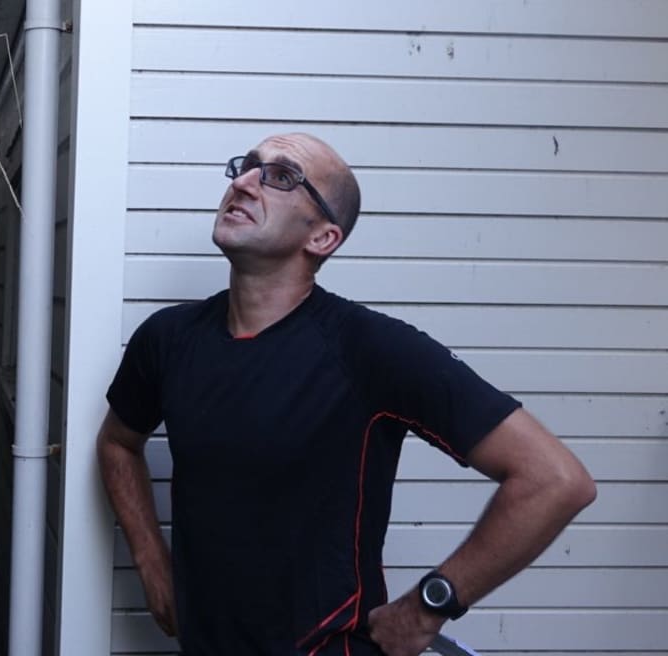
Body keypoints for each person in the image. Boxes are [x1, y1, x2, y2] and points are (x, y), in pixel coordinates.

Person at [96, 133, 596, 656]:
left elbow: (555, 480)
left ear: (323, 238)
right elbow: (117, 444)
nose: (243, 183)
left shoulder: (368, 350)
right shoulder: (169, 340)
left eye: (281, 177)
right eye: (246, 167)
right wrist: (151, 559)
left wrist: (430, 605)